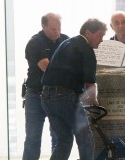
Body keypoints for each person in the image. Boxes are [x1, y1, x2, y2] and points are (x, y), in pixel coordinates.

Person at [41, 18, 107, 160]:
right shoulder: (86, 49)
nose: (102, 40)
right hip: (65, 96)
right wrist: (95, 101)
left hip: (46, 96)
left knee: (64, 141)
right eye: (100, 35)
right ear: (88, 33)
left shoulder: (66, 43)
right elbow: (90, 85)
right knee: (85, 138)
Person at [23, 12, 69, 160]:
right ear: (43, 27)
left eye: (59, 28)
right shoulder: (35, 42)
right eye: (53, 29)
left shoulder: (66, 41)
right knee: (32, 139)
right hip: (35, 95)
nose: (57, 32)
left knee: (58, 138)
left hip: (58, 96)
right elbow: (47, 69)